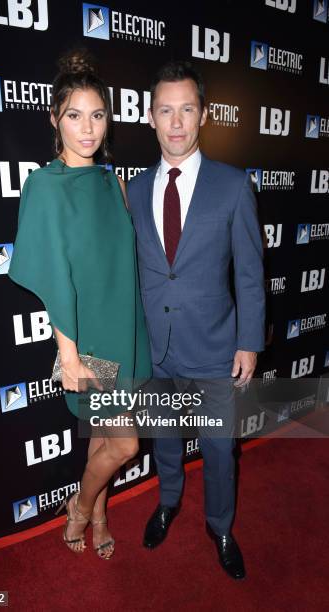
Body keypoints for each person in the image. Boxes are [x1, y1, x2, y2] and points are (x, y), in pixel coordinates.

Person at [8, 50, 151, 560]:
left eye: (97, 115)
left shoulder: (110, 181)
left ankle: (100, 513)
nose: (87, 128)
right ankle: (80, 507)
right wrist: (69, 358)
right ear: (54, 119)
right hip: (87, 342)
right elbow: (54, 277)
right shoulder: (45, 187)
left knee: (103, 441)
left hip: (126, 333)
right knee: (126, 444)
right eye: (74, 115)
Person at [127, 60, 265, 580]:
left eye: (187, 109)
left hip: (213, 348)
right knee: (163, 437)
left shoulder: (232, 186)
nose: (177, 121)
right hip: (155, 348)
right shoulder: (135, 190)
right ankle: (167, 502)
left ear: (203, 115)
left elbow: (250, 272)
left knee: (218, 449)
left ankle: (221, 526)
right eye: (166, 110)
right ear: (150, 116)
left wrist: (249, 341)